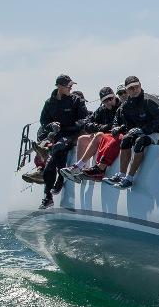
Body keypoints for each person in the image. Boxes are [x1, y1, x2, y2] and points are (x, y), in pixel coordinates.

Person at [103, 76, 159, 189]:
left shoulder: (149, 101)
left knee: (140, 141)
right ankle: (121, 175)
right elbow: (129, 125)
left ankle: (129, 179)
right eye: (131, 88)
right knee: (126, 139)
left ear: (140, 86)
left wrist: (144, 130)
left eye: (137, 87)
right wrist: (124, 130)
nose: (135, 90)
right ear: (127, 91)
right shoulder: (126, 106)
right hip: (143, 133)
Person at [38, 74, 89, 208]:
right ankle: (48, 196)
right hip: (58, 135)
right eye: (69, 85)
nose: (71, 87)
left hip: (72, 134)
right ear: (60, 87)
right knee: (50, 163)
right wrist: (51, 125)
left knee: (58, 148)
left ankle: (60, 180)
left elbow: (85, 118)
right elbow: (43, 121)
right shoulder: (49, 102)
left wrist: (74, 126)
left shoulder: (76, 100)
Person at [60, 87, 121, 182]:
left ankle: (79, 166)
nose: (109, 102)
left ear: (114, 96)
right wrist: (101, 128)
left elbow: (115, 126)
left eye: (110, 98)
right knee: (82, 138)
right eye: (105, 100)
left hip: (113, 136)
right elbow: (87, 123)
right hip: (104, 135)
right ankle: (78, 171)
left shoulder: (120, 107)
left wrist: (102, 129)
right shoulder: (102, 109)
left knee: (99, 135)